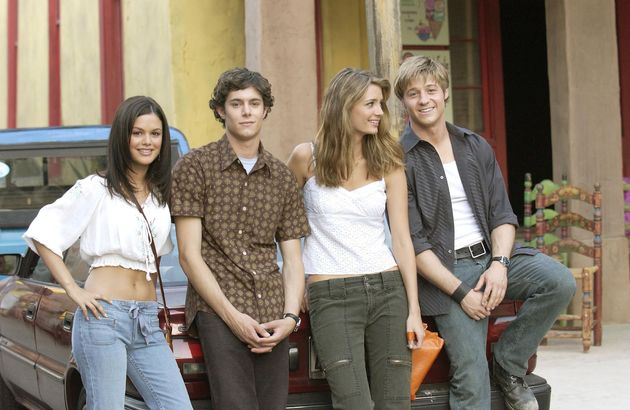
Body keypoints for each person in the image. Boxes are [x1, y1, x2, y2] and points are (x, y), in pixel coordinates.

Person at [394, 55, 576, 410]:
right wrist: (462, 293)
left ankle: (509, 365)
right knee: (471, 376)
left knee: (559, 281)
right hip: (445, 272)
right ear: (404, 101)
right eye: (413, 93)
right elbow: (413, 244)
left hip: (490, 256)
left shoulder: (473, 146)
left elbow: (503, 216)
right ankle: (490, 373)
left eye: (431, 90)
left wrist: (500, 264)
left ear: (445, 93)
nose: (424, 99)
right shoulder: (400, 159)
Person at [23, 96, 192, 409]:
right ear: (123, 136)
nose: (147, 141)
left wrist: (153, 312)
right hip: (104, 317)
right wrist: (73, 290)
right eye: (138, 132)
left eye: (155, 134)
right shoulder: (95, 189)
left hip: (146, 320)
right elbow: (44, 232)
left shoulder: (160, 197)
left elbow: (153, 262)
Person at [171, 67, 310, 410]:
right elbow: (189, 255)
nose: (246, 111)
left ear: (265, 110)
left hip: (272, 312)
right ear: (221, 110)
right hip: (218, 309)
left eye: (254, 103)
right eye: (236, 103)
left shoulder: (281, 177)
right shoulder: (195, 167)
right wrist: (233, 318)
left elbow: (293, 259)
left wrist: (290, 318)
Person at [287, 68, 424, 410]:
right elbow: (283, 226)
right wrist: (294, 279)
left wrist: (413, 309)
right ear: (344, 105)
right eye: (370, 104)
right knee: (354, 404)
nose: (379, 112)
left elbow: (402, 239)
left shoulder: (388, 159)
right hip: (330, 295)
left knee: (395, 403)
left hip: (387, 290)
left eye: (380, 104)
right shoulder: (306, 158)